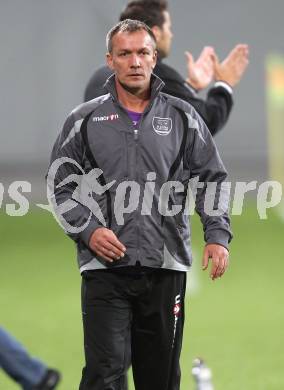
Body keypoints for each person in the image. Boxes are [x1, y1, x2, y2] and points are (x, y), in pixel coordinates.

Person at [48, 19, 232, 390]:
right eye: (125, 53)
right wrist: (88, 230)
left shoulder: (183, 117)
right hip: (104, 269)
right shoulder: (85, 119)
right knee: (105, 373)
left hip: (164, 267)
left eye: (143, 52)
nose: (135, 61)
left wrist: (217, 234)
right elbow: (59, 184)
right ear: (110, 60)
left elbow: (211, 176)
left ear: (153, 59)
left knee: (160, 378)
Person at [84, 0, 249, 136]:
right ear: (155, 33)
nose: (171, 34)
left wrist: (189, 87)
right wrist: (224, 84)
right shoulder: (154, 75)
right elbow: (203, 122)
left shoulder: (98, 77)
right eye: (168, 28)